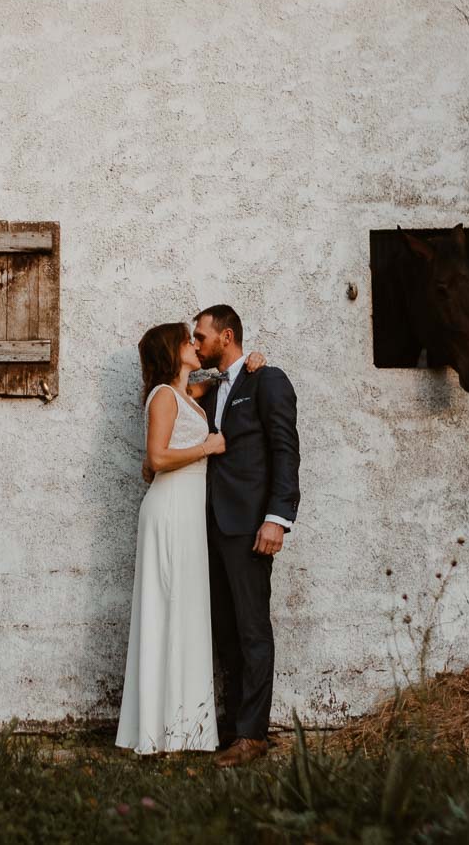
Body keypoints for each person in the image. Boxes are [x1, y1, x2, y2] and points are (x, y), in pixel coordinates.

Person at [115, 322, 266, 756]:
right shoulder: (163, 395)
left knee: (185, 613)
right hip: (169, 511)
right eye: (188, 340)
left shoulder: (188, 394)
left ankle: (184, 729)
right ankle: (155, 730)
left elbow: (222, 380)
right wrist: (207, 448)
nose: (195, 346)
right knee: (166, 609)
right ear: (172, 351)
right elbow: (156, 457)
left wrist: (253, 360)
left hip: (188, 514)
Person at [189, 304, 299, 768]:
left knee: (252, 629)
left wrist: (278, 517)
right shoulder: (214, 388)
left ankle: (253, 735)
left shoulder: (266, 381)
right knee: (226, 629)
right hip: (212, 526)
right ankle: (234, 726)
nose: (195, 344)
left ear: (226, 336)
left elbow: (285, 450)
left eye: (200, 336)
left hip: (251, 526)